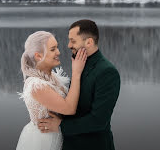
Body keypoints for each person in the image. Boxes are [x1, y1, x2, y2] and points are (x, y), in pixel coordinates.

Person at [37, 19, 121, 150]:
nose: (69, 45)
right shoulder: (79, 63)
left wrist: (60, 126)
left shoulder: (107, 72)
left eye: (73, 41)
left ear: (89, 42)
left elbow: (98, 121)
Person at [16, 31, 87, 150]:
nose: (58, 52)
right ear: (38, 56)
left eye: (57, 47)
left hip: (56, 137)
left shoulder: (53, 77)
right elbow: (69, 109)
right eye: (53, 49)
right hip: (43, 142)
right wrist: (76, 73)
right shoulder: (36, 85)